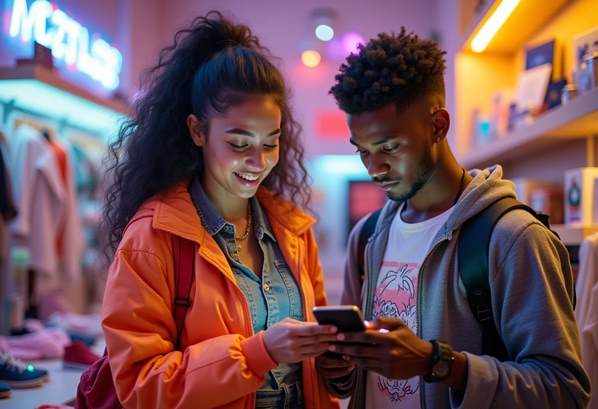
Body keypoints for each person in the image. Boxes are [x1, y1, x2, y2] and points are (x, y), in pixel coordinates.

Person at [316, 28, 591, 408]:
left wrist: (439, 363)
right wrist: (341, 367)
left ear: (438, 126)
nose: (374, 168)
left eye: (390, 147)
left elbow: (564, 390)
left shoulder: (513, 238)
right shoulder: (366, 238)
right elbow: (355, 383)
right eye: (362, 151)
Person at [101, 12, 340, 409]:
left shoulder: (293, 232)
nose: (258, 161)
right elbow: (140, 386)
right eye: (239, 143)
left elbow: (314, 372)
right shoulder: (152, 238)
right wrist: (257, 353)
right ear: (197, 131)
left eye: (271, 142)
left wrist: (339, 366)